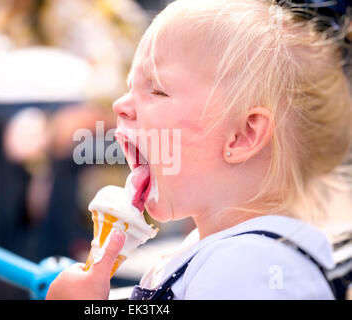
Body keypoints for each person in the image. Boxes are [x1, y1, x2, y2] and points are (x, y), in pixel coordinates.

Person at [46, 0, 352, 299]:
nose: (120, 106)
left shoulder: (247, 269)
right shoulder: (220, 252)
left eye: (157, 90)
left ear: (242, 135)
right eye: (129, 87)